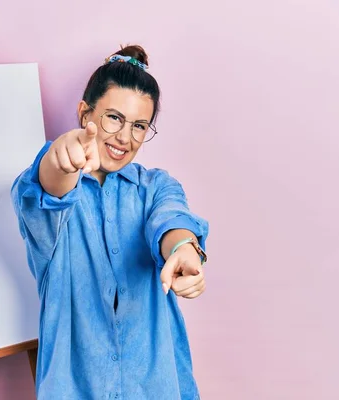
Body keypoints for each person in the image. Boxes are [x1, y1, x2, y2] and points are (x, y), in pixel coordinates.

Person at [11, 44, 210, 400]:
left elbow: (170, 219)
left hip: (157, 386)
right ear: (85, 112)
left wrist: (183, 249)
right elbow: (49, 187)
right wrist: (64, 153)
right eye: (113, 118)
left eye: (139, 126)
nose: (124, 137)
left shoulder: (155, 186)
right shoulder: (47, 188)